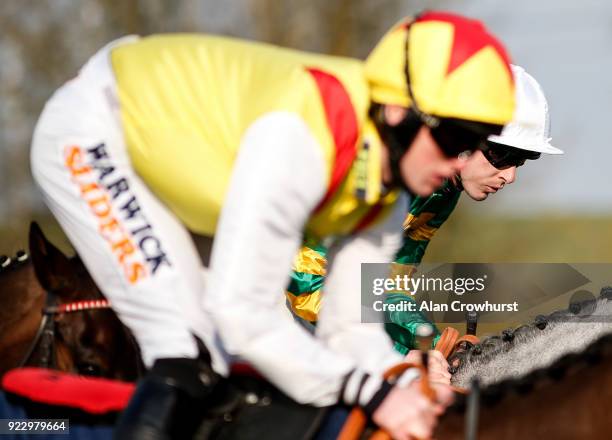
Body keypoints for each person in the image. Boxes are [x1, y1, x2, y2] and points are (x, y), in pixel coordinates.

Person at [30, 11, 515, 439]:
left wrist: (407, 381)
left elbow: (351, 330)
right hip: (96, 128)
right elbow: (243, 314)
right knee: (183, 347)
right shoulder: (302, 140)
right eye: (453, 138)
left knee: (222, 363)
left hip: (177, 158)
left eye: (474, 143)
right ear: (397, 112)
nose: (459, 162)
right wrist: (376, 394)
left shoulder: (387, 186)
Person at [287, 64, 564, 355]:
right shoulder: (369, 167)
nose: (510, 176)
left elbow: (390, 286)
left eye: (521, 161)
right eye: (503, 156)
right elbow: (306, 289)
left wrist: (432, 344)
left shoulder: (445, 190)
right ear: (463, 137)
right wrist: (421, 347)